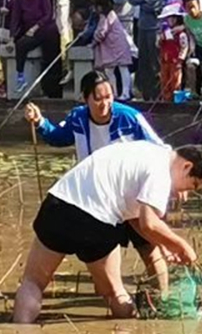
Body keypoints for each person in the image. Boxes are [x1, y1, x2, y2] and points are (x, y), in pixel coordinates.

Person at [12, 140, 202, 323]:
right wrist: (183, 246)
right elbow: (149, 223)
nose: (183, 193)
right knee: (115, 294)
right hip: (97, 222)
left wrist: (164, 245)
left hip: (59, 206)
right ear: (187, 167)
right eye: (192, 186)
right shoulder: (161, 171)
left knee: (33, 283)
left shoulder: (146, 150)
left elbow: (135, 217)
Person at [25, 70, 165, 283]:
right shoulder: (77, 118)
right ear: (85, 98)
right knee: (104, 257)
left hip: (130, 197)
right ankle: (115, 297)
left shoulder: (129, 117)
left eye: (108, 97)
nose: (104, 104)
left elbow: (159, 149)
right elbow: (57, 137)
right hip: (98, 202)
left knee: (149, 249)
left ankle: (162, 296)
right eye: (97, 98)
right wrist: (39, 122)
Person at [9, 0, 61, 96]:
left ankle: (52, 88)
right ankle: (20, 76)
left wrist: (37, 27)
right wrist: (11, 37)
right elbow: (15, 19)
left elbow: (48, 14)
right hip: (30, 31)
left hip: (45, 28)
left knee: (51, 51)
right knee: (21, 45)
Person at [130, 0, 168, 100]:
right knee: (143, 62)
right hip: (142, 26)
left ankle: (158, 94)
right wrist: (145, 0)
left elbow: (158, 4)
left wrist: (143, 1)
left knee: (155, 62)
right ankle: (146, 93)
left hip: (155, 27)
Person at [92, 0, 134, 100]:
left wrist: (93, 42)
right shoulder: (112, 15)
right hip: (115, 47)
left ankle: (124, 93)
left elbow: (101, 32)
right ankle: (114, 92)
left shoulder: (106, 17)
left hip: (115, 47)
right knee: (112, 70)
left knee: (120, 69)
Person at [158, 3, 190, 102]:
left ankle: (175, 100)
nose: (170, 21)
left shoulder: (181, 34)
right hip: (165, 60)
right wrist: (160, 40)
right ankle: (166, 99)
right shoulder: (165, 32)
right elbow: (159, 45)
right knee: (164, 80)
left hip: (175, 61)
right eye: (168, 18)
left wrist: (180, 60)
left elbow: (184, 47)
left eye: (173, 18)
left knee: (175, 80)